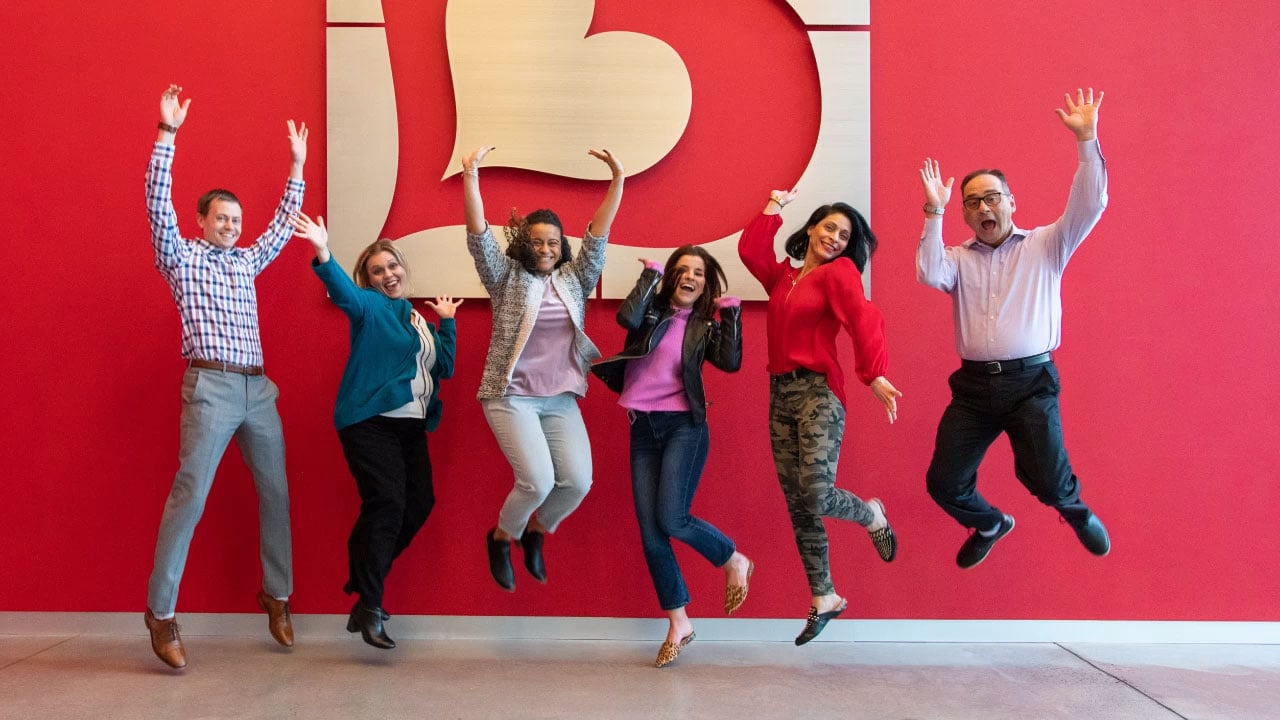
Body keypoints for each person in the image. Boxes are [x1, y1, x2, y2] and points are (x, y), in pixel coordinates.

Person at [143, 84, 307, 669]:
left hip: (258, 388)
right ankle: (161, 614)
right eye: (222, 218)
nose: (232, 225)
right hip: (210, 386)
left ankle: (277, 595)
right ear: (202, 221)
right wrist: (168, 135)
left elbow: (283, 227)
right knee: (190, 495)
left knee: (277, 492)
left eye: (237, 219)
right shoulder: (180, 256)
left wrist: (296, 166)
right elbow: (157, 203)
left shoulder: (247, 260)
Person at [916, 88, 1111, 569]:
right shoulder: (958, 259)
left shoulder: (1047, 245)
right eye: (973, 202)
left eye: (992, 198)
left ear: (1010, 202)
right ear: (965, 212)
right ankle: (989, 523)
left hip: (1030, 383)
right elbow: (927, 271)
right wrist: (933, 212)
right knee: (943, 482)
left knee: (1043, 480)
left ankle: (1073, 509)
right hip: (974, 388)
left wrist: (1087, 140)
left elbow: (1092, 202)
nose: (983, 208)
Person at [288, 212, 459, 650]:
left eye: (392, 266)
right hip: (369, 422)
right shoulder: (369, 308)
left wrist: (447, 324)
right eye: (378, 270)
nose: (388, 274)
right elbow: (344, 293)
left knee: (419, 503)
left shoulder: (416, 318)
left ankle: (366, 589)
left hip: (410, 427)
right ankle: (372, 605)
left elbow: (445, 368)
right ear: (369, 279)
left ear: (404, 269)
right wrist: (324, 252)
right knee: (387, 502)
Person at [738, 192, 902, 646]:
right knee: (799, 505)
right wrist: (771, 206)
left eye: (844, 235)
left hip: (817, 393)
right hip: (779, 395)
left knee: (815, 491)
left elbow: (863, 317)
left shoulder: (839, 274)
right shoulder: (785, 278)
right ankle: (824, 596)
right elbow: (750, 251)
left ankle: (871, 514)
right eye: (828, 228)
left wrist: (874, 374)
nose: (834, 238)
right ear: (811, 228)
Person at [461, 145, 624, 591]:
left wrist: (617, 181)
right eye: (537, 241)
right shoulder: (505, 277)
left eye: (553, 241)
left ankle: (536, 532)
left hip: (560, 397)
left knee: (576, 482)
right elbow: (478, 236)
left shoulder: (575, 278)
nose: (547, 248)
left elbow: (599, 237)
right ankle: (501, 537)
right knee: (536, 481)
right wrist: (471, 177)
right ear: (523, 244)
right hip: (511, 394)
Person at [592, 248, 753, 668]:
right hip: (642, 428)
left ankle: (732, 557)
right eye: (682, 270)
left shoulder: (704, 325)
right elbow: (625, 319)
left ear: (706, 283)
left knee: (672, 518)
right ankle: (679, 622)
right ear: (670, 278)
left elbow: (730, 363)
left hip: (685, 427)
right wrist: (649, 277)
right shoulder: (649, 313)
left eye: (698, 273)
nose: (690, 277)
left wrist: (731, 314)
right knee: (652, 535)